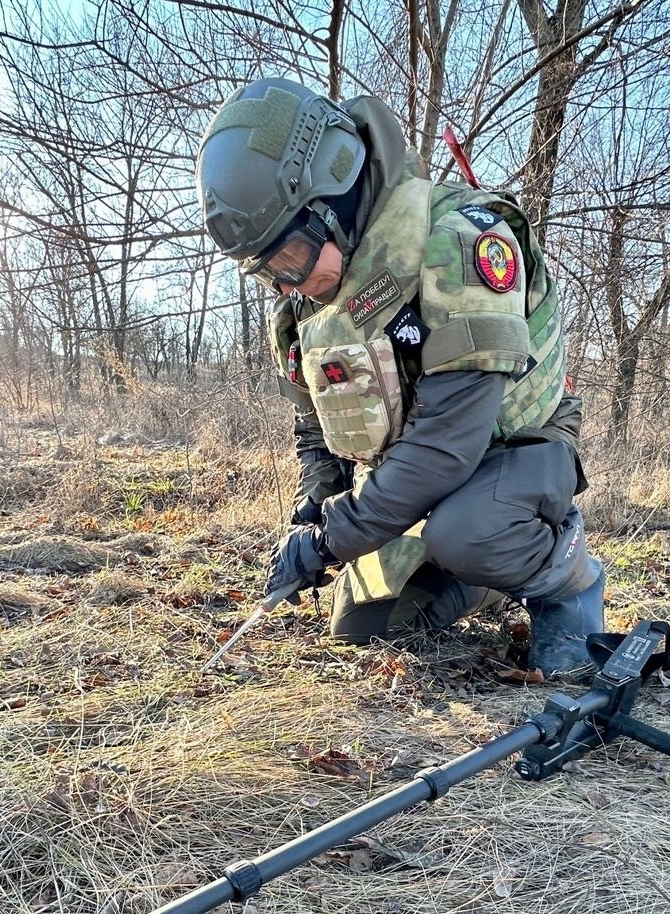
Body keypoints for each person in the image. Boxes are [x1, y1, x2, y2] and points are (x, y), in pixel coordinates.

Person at [194, 78, 604, 676]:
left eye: (289, 259)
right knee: (364, 624)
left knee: (469, 531)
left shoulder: (459, 241)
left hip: (517, 447)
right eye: (266, 271)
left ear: (330, 202)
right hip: (423, 470)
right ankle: (474, 578)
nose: (285, 285)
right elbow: (315, 428)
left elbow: (446, 443)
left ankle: (565, 577)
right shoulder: (303, 303)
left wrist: (336, 537)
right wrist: (313, 514)